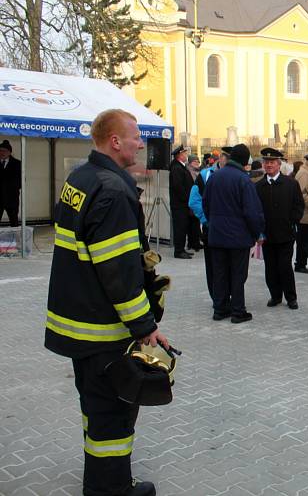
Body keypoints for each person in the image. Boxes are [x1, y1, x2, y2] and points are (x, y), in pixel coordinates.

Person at [45, 109, 169, 496]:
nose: (141, 144)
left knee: (95, 411)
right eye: (135, 137)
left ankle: (100, 481)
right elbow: (119, 273)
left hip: (78, 324)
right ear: (115, 141)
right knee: (114, 414)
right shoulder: (113, 191)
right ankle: (112, 490)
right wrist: (145, 326)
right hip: (104, 332)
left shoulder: (81, 178)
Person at [203, 143, 264, 323]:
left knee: (220, 273)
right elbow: (252, 211)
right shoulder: (243, 180)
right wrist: (256, 233)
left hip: (217, 234)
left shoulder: (215, 177)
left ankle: (220, 309)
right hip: (238, 236)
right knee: (238, 274)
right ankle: (238, 311)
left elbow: (206, 204)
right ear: (245, 161)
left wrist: (214, 222)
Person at [255, 148, 304, 310]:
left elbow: (299, 206)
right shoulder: (259, 185)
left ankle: (291, 297)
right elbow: (255, 210)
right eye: (266, 162)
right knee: (271, 267)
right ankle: (275, 296)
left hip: (286, 234)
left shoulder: (291, 183)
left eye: (272, 162)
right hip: (267, 235)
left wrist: (292, 221)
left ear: (279, 164)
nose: (269, 165)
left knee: (285, 266)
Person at [189, 147, 229, 303]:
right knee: (213, 266)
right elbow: (194, 200)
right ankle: (217, 298)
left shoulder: (238, 175)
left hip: (230, 230)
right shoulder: (205, 175)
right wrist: (207, 220)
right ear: (221, 159)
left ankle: (228, 295)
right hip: (211, 229)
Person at [168, 145, 195, 259]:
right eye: (184, 153)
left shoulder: (181, 167)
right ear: (179, 155)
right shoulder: (176, 168)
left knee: (183, 227)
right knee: (180, 227)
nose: (186, 155)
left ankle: (181, 249)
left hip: (182, 204)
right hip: (180, 204)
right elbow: (178, 187)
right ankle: (178, 251)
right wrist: (187, 199)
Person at [0, 139, 21, 226]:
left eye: (4, 151)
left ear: (9, 152)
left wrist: (13, 189)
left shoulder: (17, 164)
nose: (2, 153)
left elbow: (21, 180)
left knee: (14, 221)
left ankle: (16, 239)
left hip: (12, 199)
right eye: (0, 150)